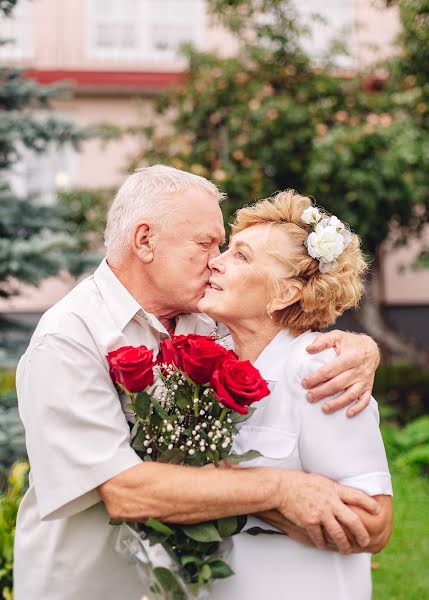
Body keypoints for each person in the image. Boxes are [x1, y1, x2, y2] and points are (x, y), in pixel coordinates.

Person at [14, 166, 381, 600]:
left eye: (226, 248)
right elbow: (122, 490)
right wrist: (280, 487)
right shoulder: (69, 338)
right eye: (205, 243)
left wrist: (360, 348)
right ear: (145, 241)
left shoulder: (209, 318)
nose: (216, 260)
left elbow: (277, 327)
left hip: (191, 584)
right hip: (96, 586)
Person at [196, 190, 393, 600]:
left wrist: (229, 488)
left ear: (285, 294)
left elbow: (374, 524)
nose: (215, 261)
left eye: (241, 256)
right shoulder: (208, 360)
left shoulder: (320, 371)